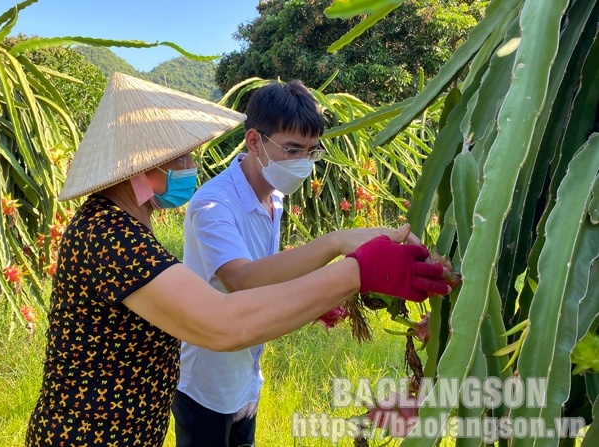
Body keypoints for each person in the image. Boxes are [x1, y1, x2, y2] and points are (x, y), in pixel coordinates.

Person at [25, 73, 449, 447]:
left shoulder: (121, 225)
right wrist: (354, 269)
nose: (191, 166)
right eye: (181, 157)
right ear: (142, 164)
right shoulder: (111, 236)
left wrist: (308, 295)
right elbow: (222, 320)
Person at [172, 79, 424, 447]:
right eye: (291, 149)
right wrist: (337, 243)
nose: (302, 163)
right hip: (206, 382)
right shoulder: (213, 206)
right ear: (254, 141)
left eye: (310, 151)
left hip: (246, 373)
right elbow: (242, 279)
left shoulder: (274, 198)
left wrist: (315, 299)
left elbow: (267, 270)